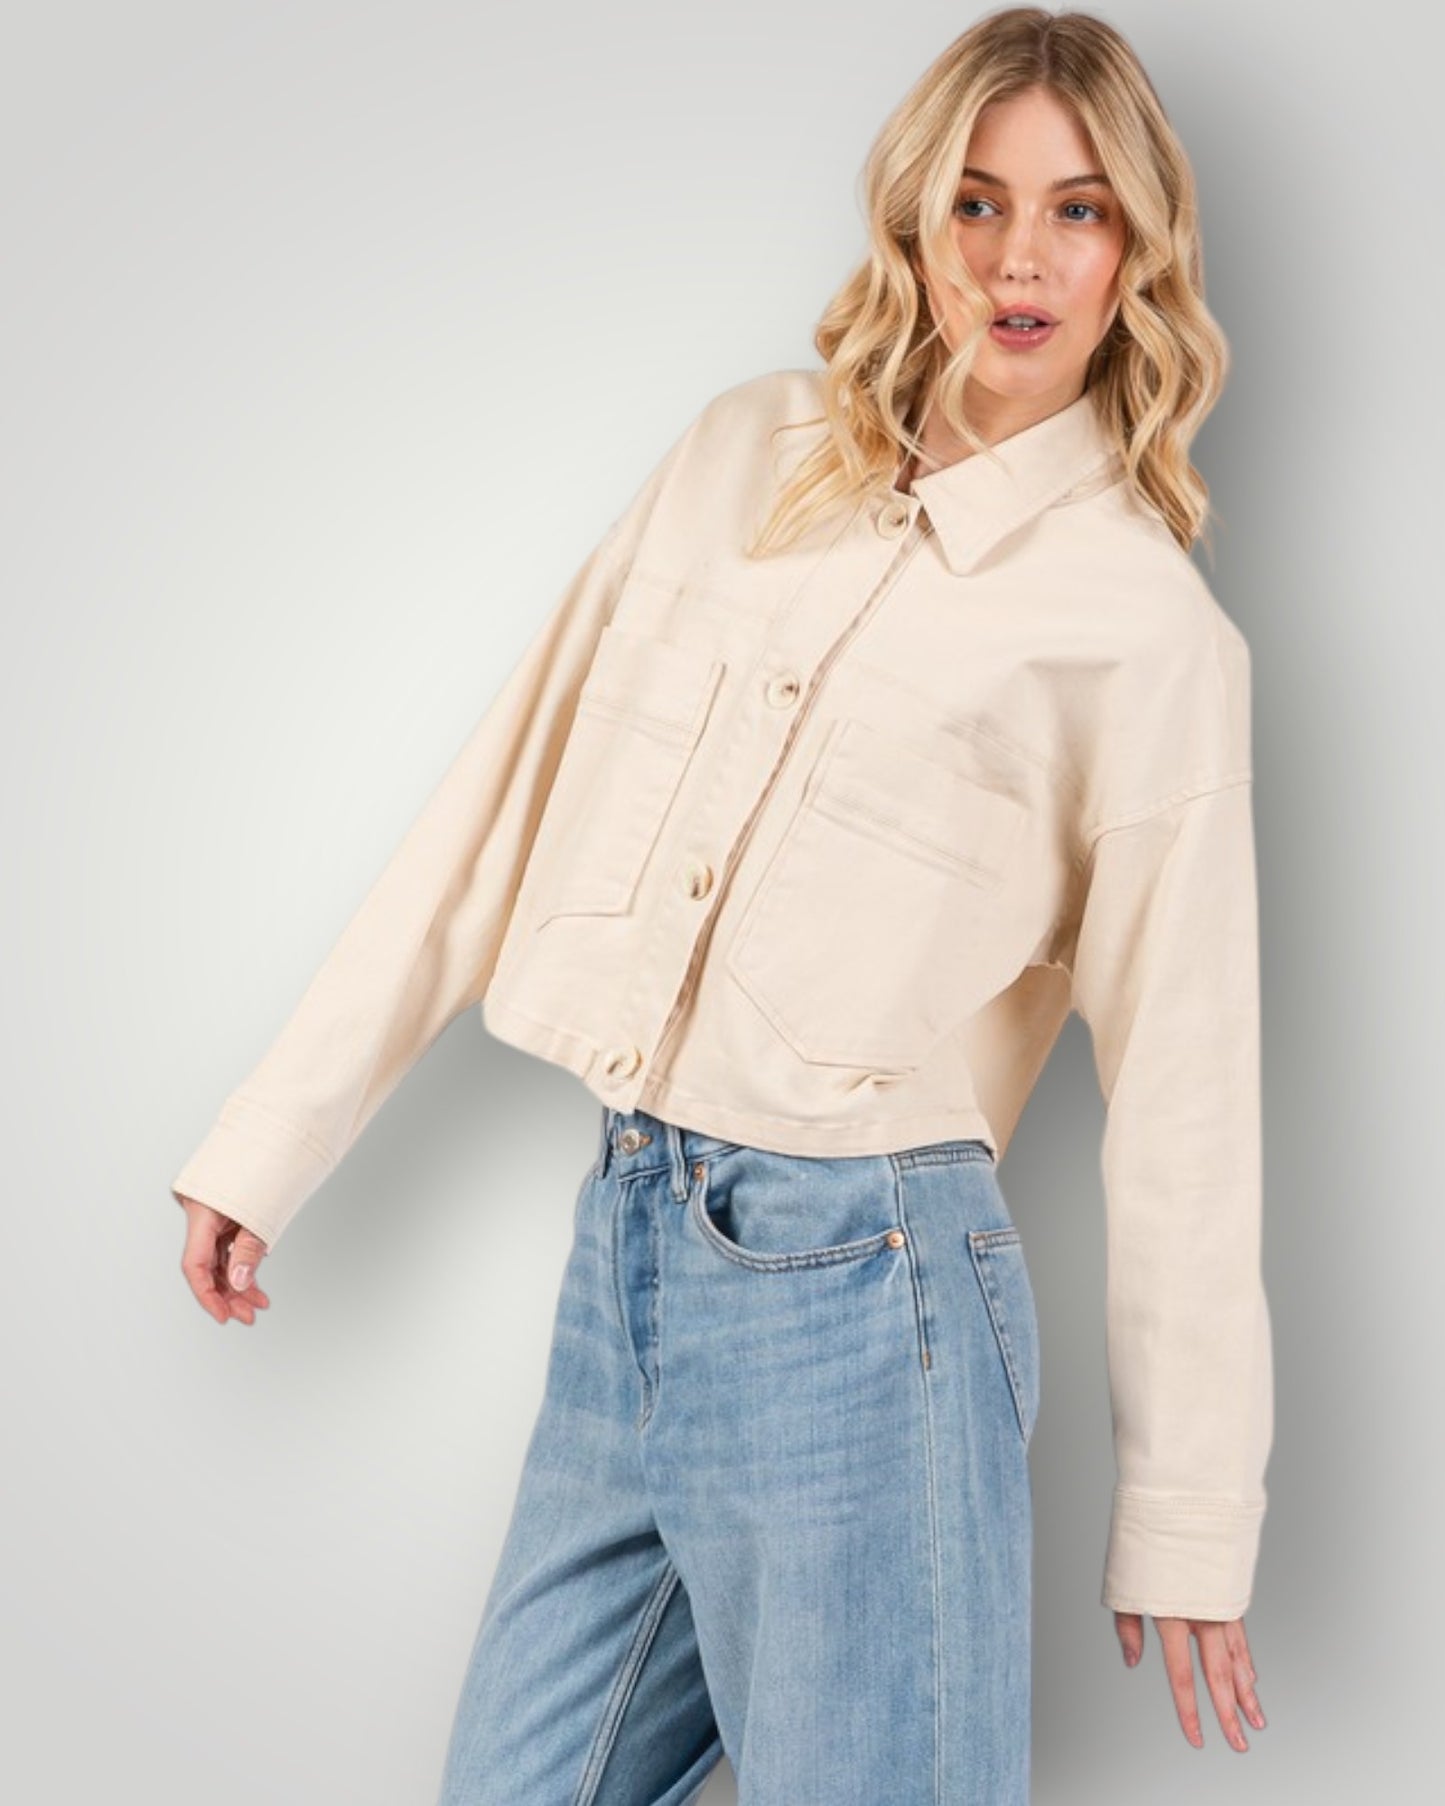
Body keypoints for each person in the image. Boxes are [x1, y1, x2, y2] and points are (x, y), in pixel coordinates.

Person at [171, 6, 1273, 1797]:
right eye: (976, 202)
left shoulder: (1145, 635)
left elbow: (1186, 1103)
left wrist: (1187, 1509)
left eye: (1075, 211)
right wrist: (272, 1136)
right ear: (912, 221)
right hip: (628, 1258)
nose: (1018, 258)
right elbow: (500, 801)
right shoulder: (738, 455)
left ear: (1136, 243)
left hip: (873, 1290)